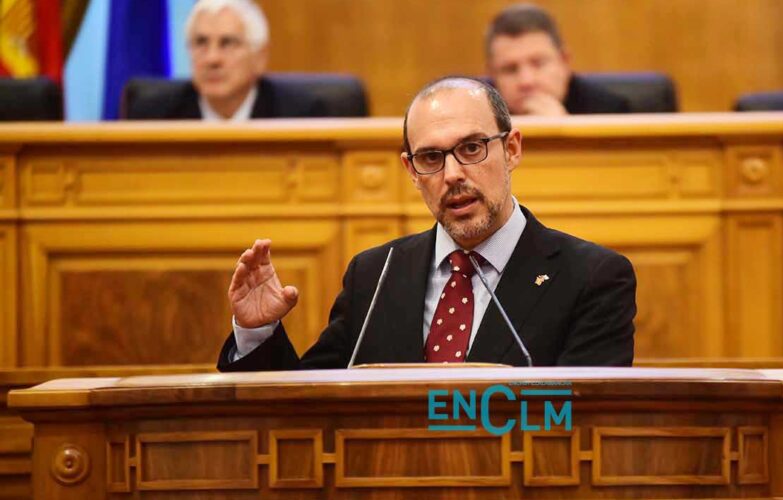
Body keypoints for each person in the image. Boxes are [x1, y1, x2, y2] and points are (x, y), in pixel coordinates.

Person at [217, 77, 636, 370]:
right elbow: (308, 412)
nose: (452, 174)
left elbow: (583, 421)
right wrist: (258, 332)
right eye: (431, 158)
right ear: (411, 170)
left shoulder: (591, 278)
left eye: (471, 148)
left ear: (511, 149)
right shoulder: (376, 275)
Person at [128, 0, 329, 120]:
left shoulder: (301, 117)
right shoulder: (153, 117)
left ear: (259, 58)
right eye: (200, 43)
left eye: (228, 43)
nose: (212, 59)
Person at [484, 3, 629, 116]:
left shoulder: (611, 111)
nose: (526, 81)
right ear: (492, 74)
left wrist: (564, 132)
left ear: (564, 61)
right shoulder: (477, 111)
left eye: (538, 64)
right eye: (510, 69)